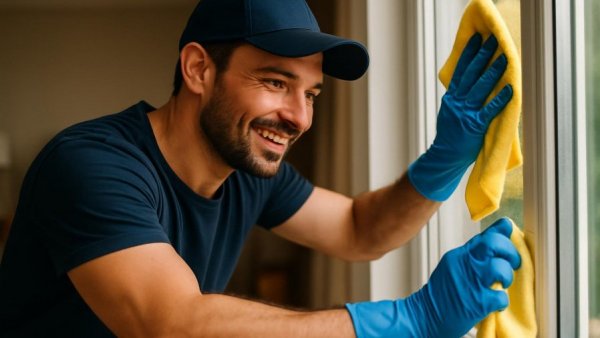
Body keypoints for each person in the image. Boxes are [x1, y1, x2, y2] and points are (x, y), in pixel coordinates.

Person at [0, 0, 520, 337]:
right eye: (275, 82)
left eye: (310, 93)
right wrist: (409, 321)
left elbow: (359, 230)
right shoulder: (90, 164)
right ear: (199, 69)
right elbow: (172, 323)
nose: (298, 117)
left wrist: (446, 158)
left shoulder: (244, 168)